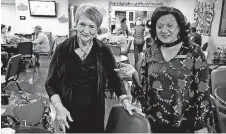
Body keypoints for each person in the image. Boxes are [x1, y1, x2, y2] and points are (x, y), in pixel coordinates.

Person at [45, 3, 137, 133]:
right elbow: (50, 83)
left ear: (97, 29)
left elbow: (114, 78)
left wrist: (125, 101)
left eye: (92, 26)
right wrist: (59, 107)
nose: (86, 31)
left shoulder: (103, 50)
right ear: (76, 23)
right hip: (68, 112)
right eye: (82, 24)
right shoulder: (63, 49)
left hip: (95, 111)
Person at [131, 6, 210, 133]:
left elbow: (203, 89)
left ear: (180, 27)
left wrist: (201, 124)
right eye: (160, 26)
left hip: (184, 121)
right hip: (154, 119)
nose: (164, 30)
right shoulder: (151, 51)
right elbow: (143, 82)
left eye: (170, 25)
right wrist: (133, 75)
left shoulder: (193, 52)